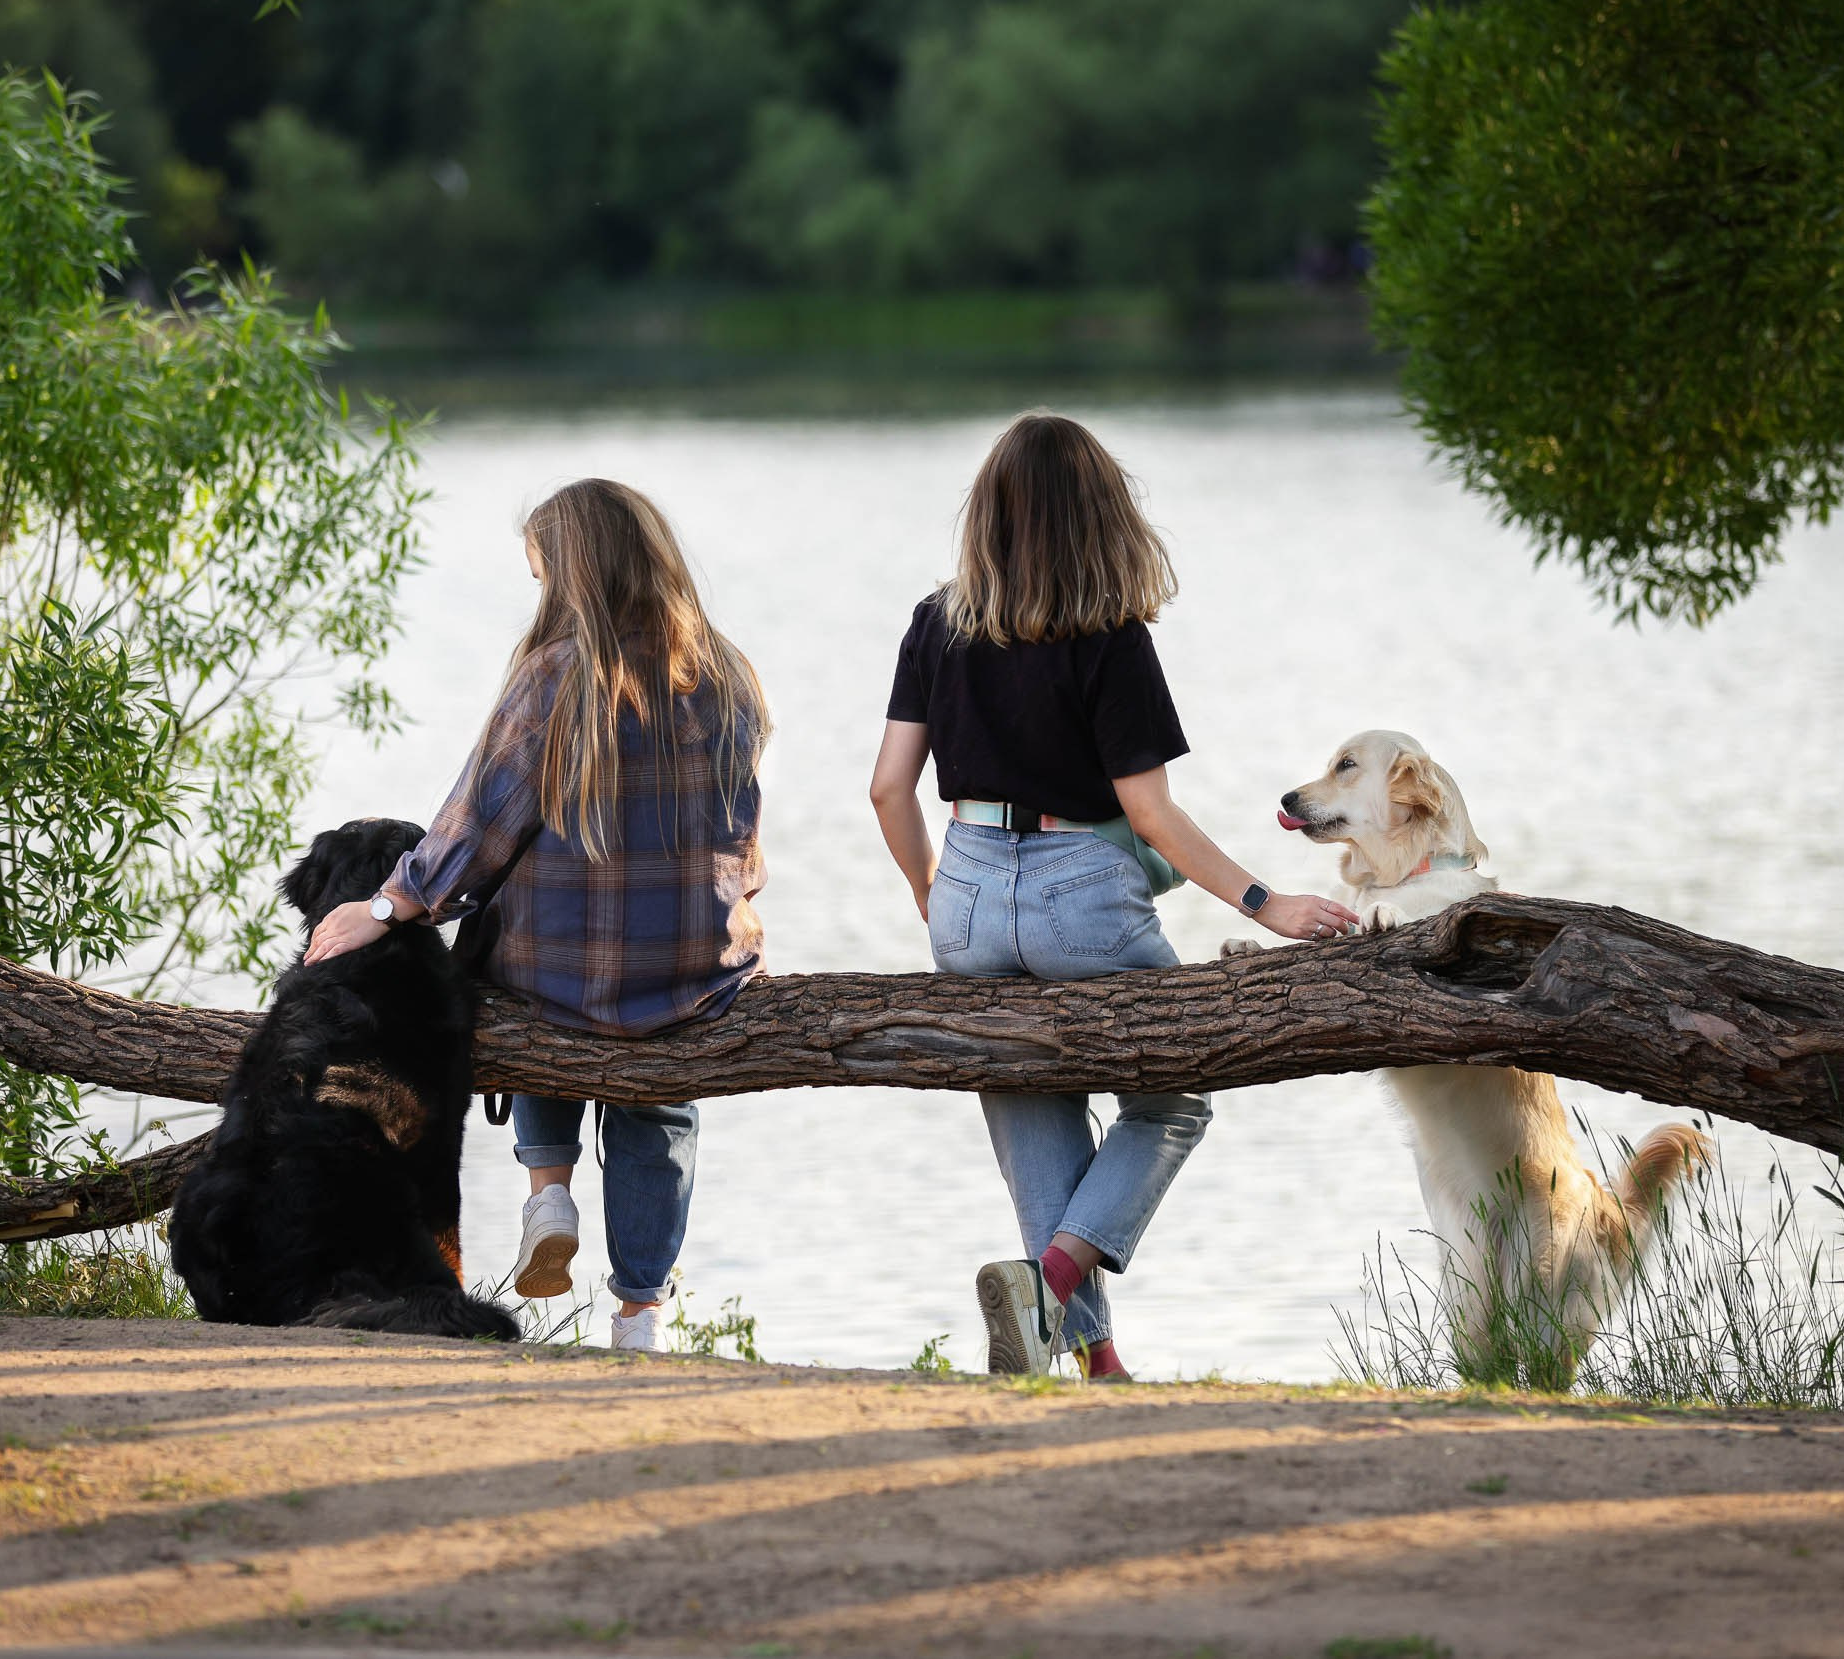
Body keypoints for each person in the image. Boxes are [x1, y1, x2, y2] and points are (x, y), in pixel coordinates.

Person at [868, 411, 1359, 1381]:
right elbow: (1151, 815)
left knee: (1031, 1108)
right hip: (1076, 895)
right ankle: (1053, 1284)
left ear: (990, 513)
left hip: (963, 884)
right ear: (1098, 516)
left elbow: (888, 786)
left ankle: (1095, 1355)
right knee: (1172, 1096)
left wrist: (934, 893)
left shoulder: (936, 619)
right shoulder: (1109, 635)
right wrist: (1270, 903)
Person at [304, 479, 769, 1353]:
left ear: (572, 573)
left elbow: (480, 819)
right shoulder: (726, 673)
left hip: (557, 976)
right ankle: (639, 1313)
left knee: (518, 981)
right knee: (660, 1108)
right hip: (685, 972)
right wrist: (737, 932)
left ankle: (546, 1190)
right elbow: (737, 833)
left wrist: (388, 903)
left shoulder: (556, 676)